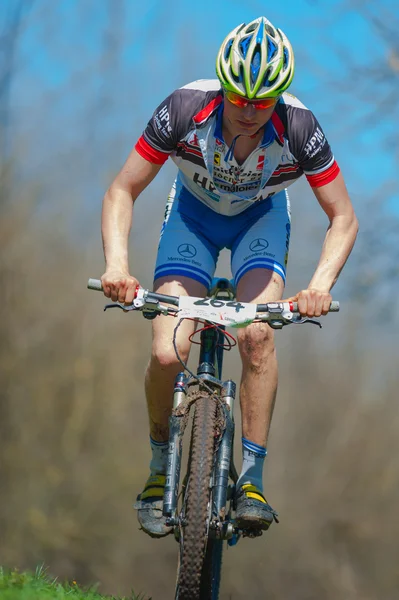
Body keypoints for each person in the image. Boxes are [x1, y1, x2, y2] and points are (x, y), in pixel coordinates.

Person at [100, 16, 358, 538]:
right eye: (239, 97)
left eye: (262, 102)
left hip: (259, 220)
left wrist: (319, 288)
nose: (248, 110)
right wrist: (117, 267)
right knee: (168, 350)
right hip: (191, 219)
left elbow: (343, 217)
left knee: (257, 334)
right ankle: (157, 466)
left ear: (279, 97)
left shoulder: (300, 127)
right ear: (223, 85)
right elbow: (121, 190)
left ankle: (254, 479)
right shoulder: (184, 108)